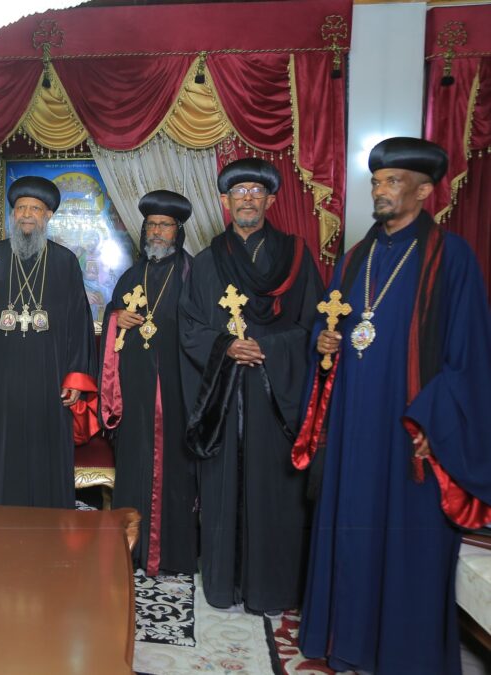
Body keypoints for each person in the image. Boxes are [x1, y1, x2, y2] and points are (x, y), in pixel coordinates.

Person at [295, 138, 491, 674]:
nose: (379, 191)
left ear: (424, 191)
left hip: (411, 428)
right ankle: (346, 642)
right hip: (355, 422)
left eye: (392, 181)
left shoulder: (450, 257)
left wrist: (435, 421)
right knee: (352, 529)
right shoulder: (357, 256)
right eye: (377, 181)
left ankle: (404, 657)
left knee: (406, 542)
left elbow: (469, 352)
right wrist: (322, 344)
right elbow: (332, 320)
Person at [179, 158, 323, 613]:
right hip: (225, 396)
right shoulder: (205, 263)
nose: (247, 199)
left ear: (270, 200)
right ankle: (224, 584)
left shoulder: (296, 256)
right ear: (225, 202)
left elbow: (312, 325)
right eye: (238, 192)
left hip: (273, 396)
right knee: (222, 486)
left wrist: (262, 347)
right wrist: (227, 347)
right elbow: (190, 327)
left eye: (255, 192)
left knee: (273, 489)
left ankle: (270, 588)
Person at [0, 176, 97, 508]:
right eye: (20, 207)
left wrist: (76, 378)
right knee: (3, 451)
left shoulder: (65, 262)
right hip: (1, 380)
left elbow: (80, 323)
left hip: (49, 380)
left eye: (34, 209)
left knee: (47, 451)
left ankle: (49, 527)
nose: (26, 214)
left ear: (48, 216)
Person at [98, 190, 197, 575]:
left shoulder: (191, 273)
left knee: (173, 469)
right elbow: (112, 314)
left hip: (175, 390)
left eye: (164, 225)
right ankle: (131, 549)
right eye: (152, 224)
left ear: (178, 231)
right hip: (135, 390)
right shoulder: (131, 274)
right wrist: (115, 319)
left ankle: (169, 553)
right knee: (134, 462)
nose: (156, 232)